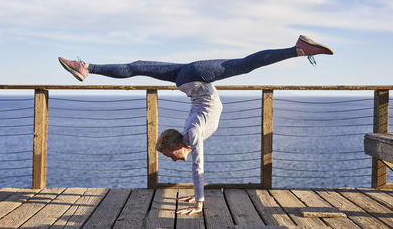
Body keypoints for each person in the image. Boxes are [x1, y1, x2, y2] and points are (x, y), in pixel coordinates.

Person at [58, 35, 333, 215]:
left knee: (246, 65)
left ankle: (299, 49)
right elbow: (194, 163)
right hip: (186, 79)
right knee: (138, 65)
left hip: (194, 76)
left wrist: (200, 201)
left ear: (177, 144)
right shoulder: (188, 132)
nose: (174, 160)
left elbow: (197, 167)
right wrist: (196, 196)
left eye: (170, 155)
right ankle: (86, 67)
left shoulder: (192, 133)